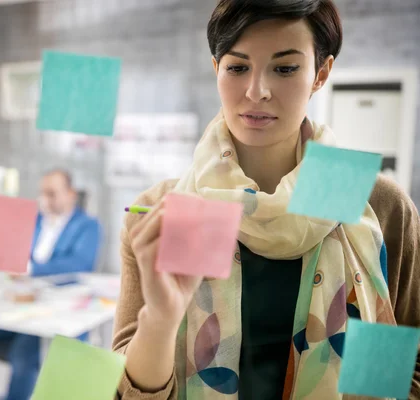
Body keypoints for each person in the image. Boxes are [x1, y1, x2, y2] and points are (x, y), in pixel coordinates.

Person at [113, 1, 420, 399]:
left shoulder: (374, 205)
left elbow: (410, 367)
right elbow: (125, 392)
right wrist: (160, 319)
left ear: (320, 74)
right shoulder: (161, 211)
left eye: (285, 68)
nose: (256, 91)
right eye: (238, 67)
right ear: (216, 69)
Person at [0, 169, 102, 400]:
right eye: (41, 193)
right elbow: (6, 250)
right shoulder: (31, 220)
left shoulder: (88, 226)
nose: (44, 199)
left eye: (52, 193)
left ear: (71, 195)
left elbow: (80, 264)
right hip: (13, 309)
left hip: (51, 318)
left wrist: (30, 269)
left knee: (23, 355)